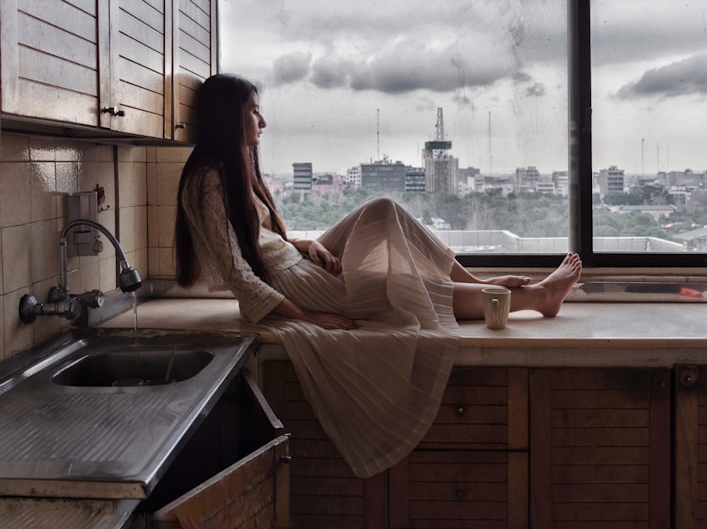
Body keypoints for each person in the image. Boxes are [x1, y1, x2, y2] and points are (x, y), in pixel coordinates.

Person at [174, 73, 582, 478]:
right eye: (253, 111)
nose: (262, 122)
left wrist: (305, 244)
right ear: (229, 117)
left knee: (383, 208)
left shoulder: (230, 169)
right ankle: (537, 299)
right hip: (288, 285)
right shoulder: (209, 180)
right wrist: (306, 316)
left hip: (293, 263)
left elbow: (258, 239)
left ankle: (480, 284)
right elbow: (239, 272)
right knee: (400, 287)